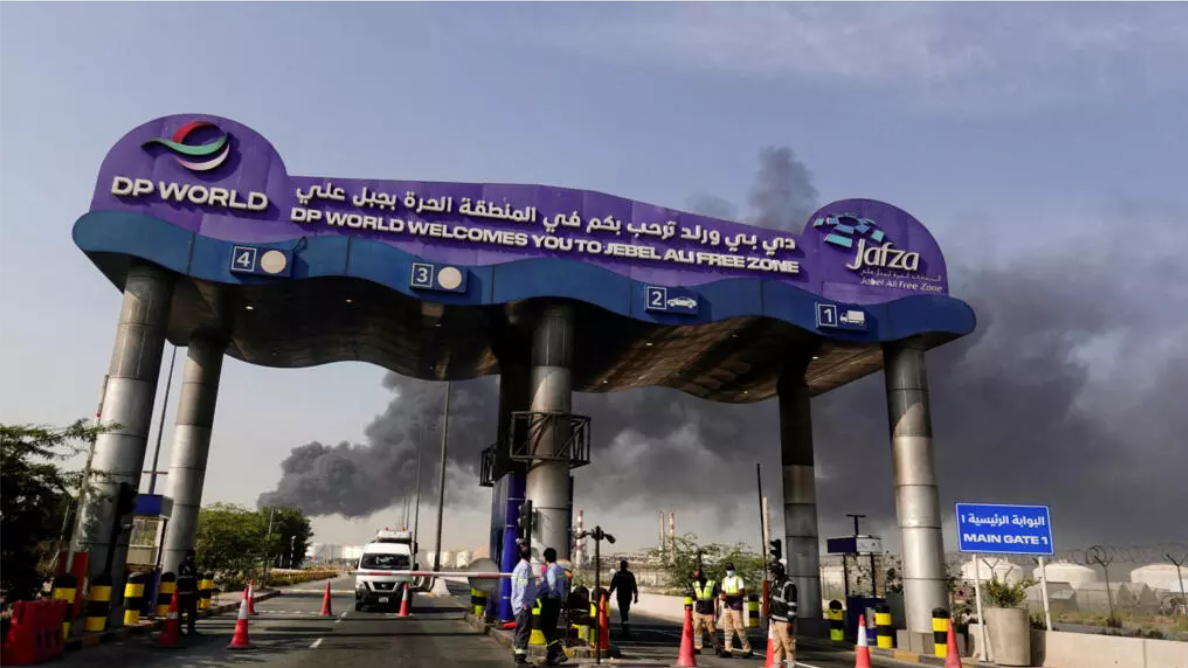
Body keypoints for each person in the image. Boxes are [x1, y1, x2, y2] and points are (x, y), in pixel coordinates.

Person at [539, 547, 570, 666]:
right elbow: (566, 585)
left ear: (545, 558)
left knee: (545, 628)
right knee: (551, 629)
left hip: (549, 602)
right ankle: (551, 657)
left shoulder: (550, 570)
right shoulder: (561, 570)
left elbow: (551, 586)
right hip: (557, 603)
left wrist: (541, 595)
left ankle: (560, 653)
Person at [510, 543, 538, 665]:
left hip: (519, 604)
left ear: (520, 554)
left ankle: (518, 655)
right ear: (530, 555)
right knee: (523, 631)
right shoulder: (525, 568)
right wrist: (525, 603)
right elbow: (523, 585)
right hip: (523, 605)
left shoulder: (520, 566)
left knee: (520, 630)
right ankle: (520, 659)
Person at [719, 562, 753, 657]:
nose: (729, 571)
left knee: (740, 628)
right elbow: (723, 592)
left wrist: (730, 596)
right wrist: (723, 597)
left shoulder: (738, 579)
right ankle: (728, 649)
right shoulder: (724, 580)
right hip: (727, 606)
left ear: (733, 570)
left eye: (730, 569)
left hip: (736, 606)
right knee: (727, 629)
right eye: (728, 569)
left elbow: (742, 592)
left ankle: (747, 649)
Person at [768, 562, 798, 667]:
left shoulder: (789, 585)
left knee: (788, 645)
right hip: (775, 619)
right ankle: (777, 664)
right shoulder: (774, 583)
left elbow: (792, 604)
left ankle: (791, 665)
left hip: (784, 620)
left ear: (776, 572)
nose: (771, 574)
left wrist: (790, 621)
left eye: (772, 572)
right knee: (776, 644)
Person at [690, 568, 722, 655]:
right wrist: (692, 596)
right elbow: (693, 598)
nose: (697, 579)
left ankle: (717, 647)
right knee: (697, 630)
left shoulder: (711, 583)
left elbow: (716, 598)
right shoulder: (695, 584)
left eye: (698, 577)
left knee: (712, 631)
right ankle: (697, 647)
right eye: (696, 577)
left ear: (702, 575)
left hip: (709, 612)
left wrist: (716, 611)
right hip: (698, 611)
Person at [608, 560, 639, 633]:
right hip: (628, 596)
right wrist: (636, 597)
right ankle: (625, 625)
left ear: (620, 566)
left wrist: (609, 594)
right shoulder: (630, 575)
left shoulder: (617, 574)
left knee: (623, 611)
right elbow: (634, 586)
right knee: (625, 611)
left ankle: (624, 625)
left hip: (620, 596)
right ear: (627, 566)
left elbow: (613, 586)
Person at [176, 550, 200, 635]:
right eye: (190, 556)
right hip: (183, 592)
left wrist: (196, 591)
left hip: (191, 593)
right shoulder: (183, 565)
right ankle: (178, 629)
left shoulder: (192, 565)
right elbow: (187, 577)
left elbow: (194, 579)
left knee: (192, 612)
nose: (191, 557)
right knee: (180, 612)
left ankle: (191, 629)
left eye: (193, 556)